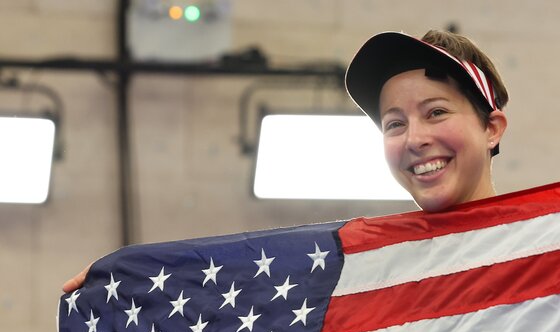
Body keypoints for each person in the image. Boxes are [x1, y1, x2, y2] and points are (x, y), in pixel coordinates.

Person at [63, 29, 509, 290]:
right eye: (394, 124)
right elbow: (238, 285)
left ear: (492, 128)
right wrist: (129, 283)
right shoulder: (361, 269)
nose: (415, 138)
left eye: (436, 113)